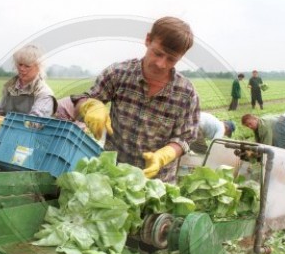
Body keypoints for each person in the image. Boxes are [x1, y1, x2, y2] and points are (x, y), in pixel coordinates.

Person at [68, 16, 199, 183]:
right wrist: (91, 106)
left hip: (156, 184)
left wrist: (163, 156)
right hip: (113, 176)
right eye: (157, 53)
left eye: (171, 59)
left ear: (181, 57)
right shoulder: (118, 73)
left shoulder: (186, 93)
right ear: (148, 40)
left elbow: (185, 138)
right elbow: (82, 100)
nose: (161, 64)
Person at [0, 45, 57, 134]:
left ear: (39, 67)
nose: (22, 69)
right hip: (6, 136)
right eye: (20, 64)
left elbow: (35, 122)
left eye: (27, 66)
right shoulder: (9, 87)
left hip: (32, 139)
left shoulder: (44, 93)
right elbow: (0, 112)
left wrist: (7, 122)